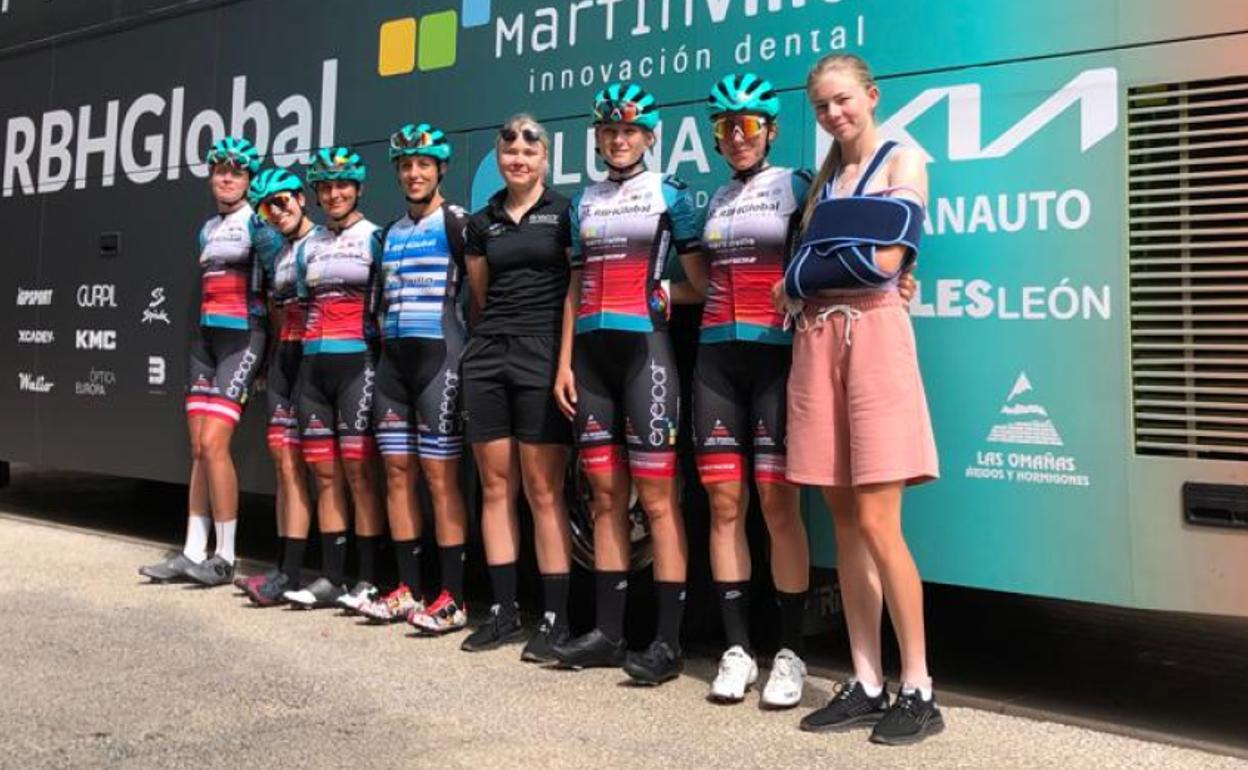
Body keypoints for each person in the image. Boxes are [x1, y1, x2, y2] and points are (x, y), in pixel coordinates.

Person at [783, 54, 943, 745]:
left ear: (871, 95)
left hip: (873, 336)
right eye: (822, 106)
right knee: (844, 523)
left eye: (843, 99)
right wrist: (816, 269)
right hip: (818, 343)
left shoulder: (903, 159)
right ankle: (868, 680)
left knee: (879, 523)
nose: (834, 114)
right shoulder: (824, 182)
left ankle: (919, 688)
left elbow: (882, 263)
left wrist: (811, 270)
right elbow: (797, 278)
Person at [551, 83, 701, 685]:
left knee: (659, 501)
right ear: (598, 138)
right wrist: (564, 363)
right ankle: (609, 635)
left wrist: (663, 292)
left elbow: (702, 284)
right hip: (590, 361)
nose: (619, 140)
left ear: (648, 137)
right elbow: (574, 287)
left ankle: (668, 643)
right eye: (609, 131)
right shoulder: (581, 202)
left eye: (629, 131)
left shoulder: (671, 194)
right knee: (604, 497)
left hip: (647, 356)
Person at [676, 73, 812, 706]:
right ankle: (737, 650)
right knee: (725, 505)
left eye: (748, 124)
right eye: (725, 126)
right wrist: (658, 293)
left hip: (775, 359)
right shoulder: (714, 201)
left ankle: (791, 652)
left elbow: (828, 258)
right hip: (715, 362)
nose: (736, 136)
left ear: (771, 130)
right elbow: (701, 285)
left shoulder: (796, 186)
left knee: (778, 506)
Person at [457, 115, 575, 661]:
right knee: (495, 487)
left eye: (529, 153)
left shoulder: (565, 212)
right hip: (488, 356)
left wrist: (563, 362)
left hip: (542, 353)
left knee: (543, 490)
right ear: (499, 159)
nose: (519, 160)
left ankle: (555, 620)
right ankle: (503, 612)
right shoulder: (480, 223)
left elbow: (574, 291)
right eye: (510, 153)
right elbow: (480, 295)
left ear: (544, 159)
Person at [140, 137, 281, 587]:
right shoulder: (207, 228)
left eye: (236, 173)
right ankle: (192, 550)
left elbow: (277, 284)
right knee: (199, 449)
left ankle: (226, 556)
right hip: (205, 342)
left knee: (215, 445)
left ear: (249, 180)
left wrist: (270, 355)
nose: (227, 178)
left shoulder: (258, 224)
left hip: (243, 338)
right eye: (220, 171)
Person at [356, 124, 471, 631]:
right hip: (392, 368)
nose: (414, 173)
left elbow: (480, 294)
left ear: (440, 168)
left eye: (424, 164)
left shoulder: (457, 222)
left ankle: (454, 597)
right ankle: (408, 589)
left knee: (440, 480)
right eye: (406, 165)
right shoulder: (388, 234)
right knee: (397, 475)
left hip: (439, 360)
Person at [282, 147, 385, 611]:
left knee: (359, 475)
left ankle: (367, 579)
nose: (334, 194)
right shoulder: (310, 245)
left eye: (342, 185)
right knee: (324, 475)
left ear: (358, 189)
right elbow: (304, 308)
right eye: (325, 187)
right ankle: (332, 578)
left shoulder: (374, 237)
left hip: (357, 365)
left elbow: (383, 306)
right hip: (314, 369)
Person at [240, 167, 320, 606]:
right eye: (266, 207)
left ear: (301, 198)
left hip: (318, 363)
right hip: (284, 363)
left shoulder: (323, 242)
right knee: (284, 466)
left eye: (282, 200)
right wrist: (268, 362)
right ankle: (284, 571)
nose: (276, 210)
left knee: (323, 472)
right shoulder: (277, 253)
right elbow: (275, 311)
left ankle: (328, 574)